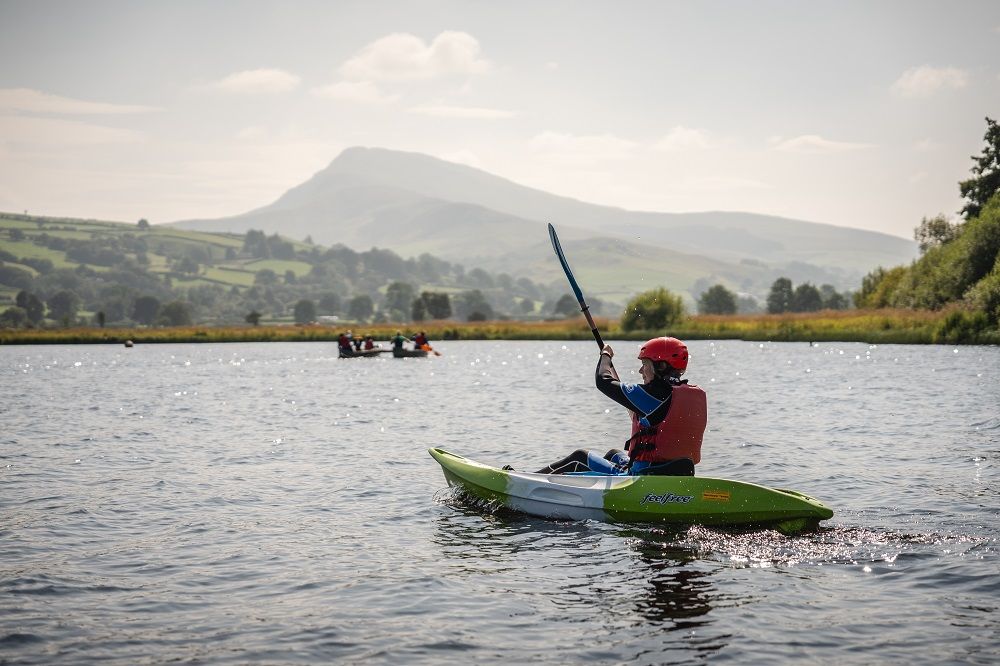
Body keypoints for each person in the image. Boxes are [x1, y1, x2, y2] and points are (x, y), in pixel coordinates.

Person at [532, 337, 706, 476]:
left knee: (580, 457)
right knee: (614, 454)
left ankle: (525, 481)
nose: (640, 371)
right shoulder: (692, 394)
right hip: (679, 473)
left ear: (660, 366)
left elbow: (604, 381)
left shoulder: (652, 394)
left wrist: (605, 355)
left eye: (645, 365)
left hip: (644, 477)